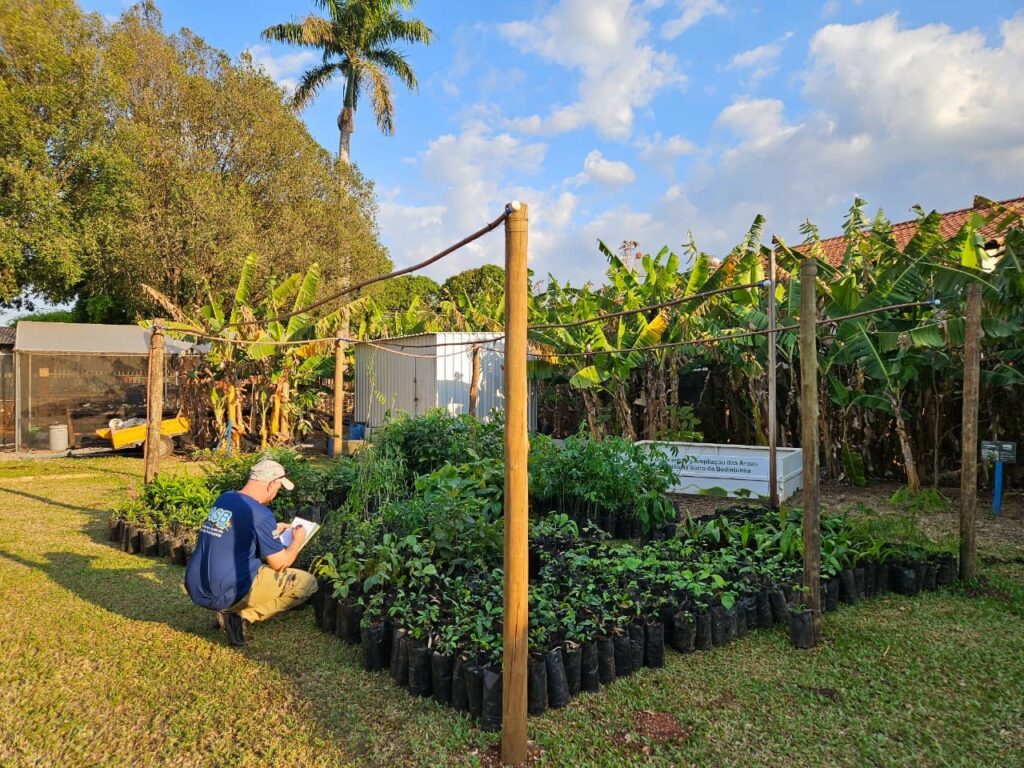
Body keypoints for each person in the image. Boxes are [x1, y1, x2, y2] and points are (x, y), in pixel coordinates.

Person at [184, 459, 317, 645]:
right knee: (307, 584)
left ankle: (231, 609)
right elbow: (280, 563)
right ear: (271, 485)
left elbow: (234, 531)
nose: (276, 494)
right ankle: (241, 615)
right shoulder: (260, 513)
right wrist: (297, 541)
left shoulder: (226, 498)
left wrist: (271, 531)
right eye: (278, 488)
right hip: (223, 593)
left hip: (196, 586)